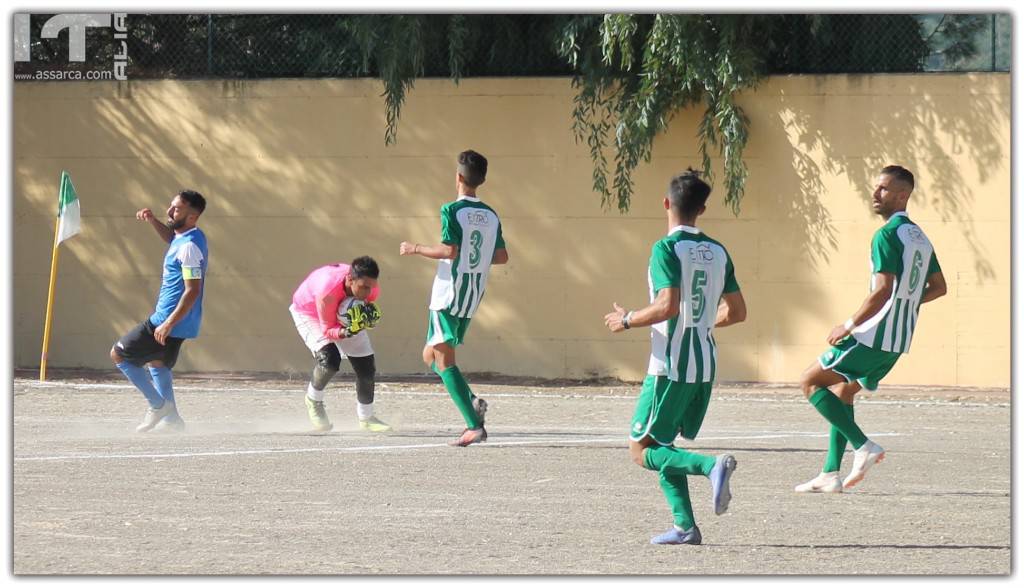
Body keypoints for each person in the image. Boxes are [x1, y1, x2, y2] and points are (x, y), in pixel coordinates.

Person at [604, 169, 747, 546]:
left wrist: (627, 319)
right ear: (702, 209)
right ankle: (685, 527)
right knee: (662, 444)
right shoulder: (719, 251)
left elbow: (667, 305)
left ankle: (710, 466)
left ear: (666, 203)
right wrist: (701, 322)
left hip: (669, 366)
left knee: (640, 450)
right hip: (703, 364)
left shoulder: (665, 249)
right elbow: (737, 312)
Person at [796, 165, 946, 493]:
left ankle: (863, 446)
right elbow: (939, 287)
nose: (875, 193)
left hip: (872, 335)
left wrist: (848, 325)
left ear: (902, 195)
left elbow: (882, 290)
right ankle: (830, 473)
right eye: (876, 187)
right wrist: (906, 303)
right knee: (844, 391)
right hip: (898, 339)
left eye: (884, 188)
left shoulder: (886, 235)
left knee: (809, 381)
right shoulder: (920, 238)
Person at [399, 149, 509, 447]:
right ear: (482, 179)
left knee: (445, 360)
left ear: (458, 176)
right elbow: (501, 256)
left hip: (448, 293)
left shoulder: (451, 210)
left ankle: (474, 426)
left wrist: (415, 248)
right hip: (472, 295)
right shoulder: (491, 214)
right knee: (430, 355)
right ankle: (471, 400)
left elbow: (449, 250)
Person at [110, 190, 208, 433]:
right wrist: (153, 221)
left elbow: (192, 291)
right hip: (181, 321)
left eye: (177, 209)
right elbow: (171, 238)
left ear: (192, 216)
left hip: (167, 319)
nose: (169, 211)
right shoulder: (188, 236)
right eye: (171, 206)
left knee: (119, 354)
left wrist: (168, 324)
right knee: (158, 363)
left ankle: (158, 405)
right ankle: (171, 420)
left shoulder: (189, 247)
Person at [289, 256, 388, 433]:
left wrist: (363, 321)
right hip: (310, 312)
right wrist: (346, 332)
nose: (368, 293)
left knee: (366, 366)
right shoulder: (327, 291)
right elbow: (328, 329)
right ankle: (313, 400)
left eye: (371, 287)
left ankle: (366, 418)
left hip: (342, 315)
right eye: (364, 287)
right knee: (329, 359)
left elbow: (363, 304)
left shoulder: (371, 289)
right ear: (350, 279)